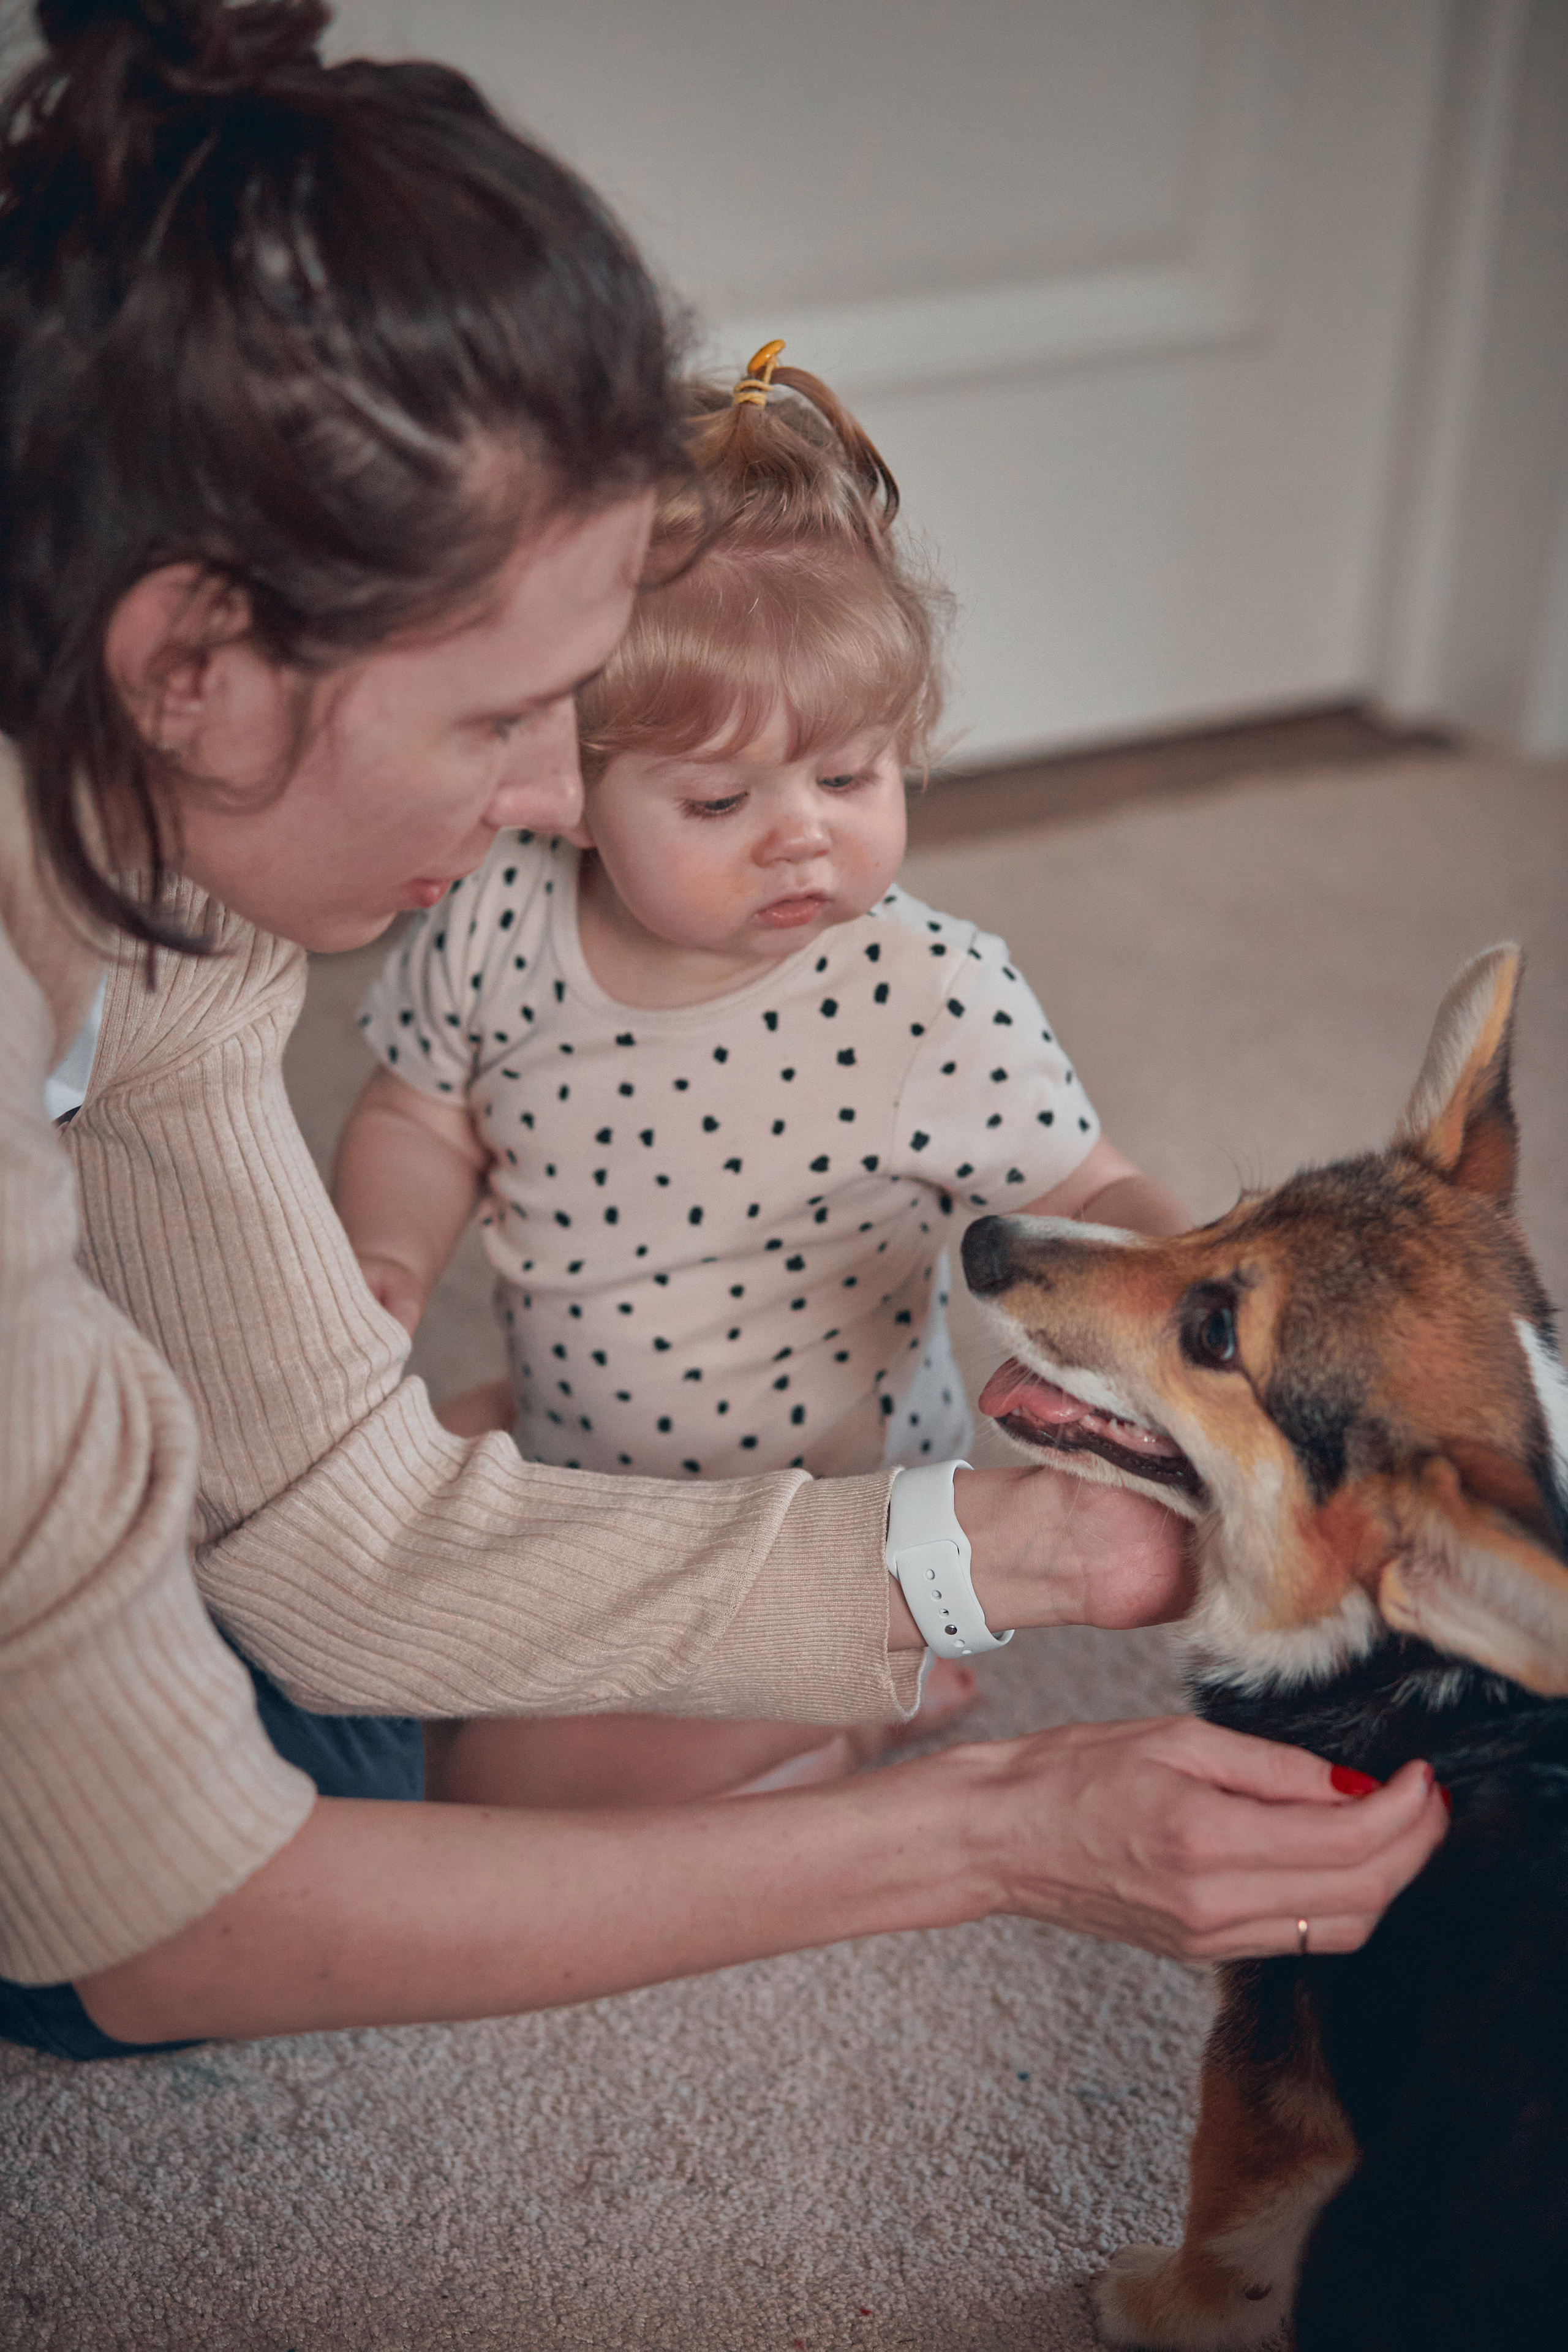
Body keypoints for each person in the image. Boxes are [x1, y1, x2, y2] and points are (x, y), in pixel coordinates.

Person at [0, 0, 1447, 2068]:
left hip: (714, 1447)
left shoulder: (155, 878)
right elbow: (159, 1921)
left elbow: (332, 1527)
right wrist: (994, 1832)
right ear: (190, 664)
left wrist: (983, 1549)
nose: (540, 801)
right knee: (368, 1796)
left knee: (354, 1652)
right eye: (507, 721)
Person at [331, 347, 1192, 1804]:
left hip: (814, 1540)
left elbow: (1088, 1187)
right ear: (574, 789)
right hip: (579, 1456)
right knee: (327, 1550)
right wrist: (382, 1254)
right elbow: (418, 1112)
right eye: (721, 800)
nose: (799, 835)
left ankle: (853, 1707)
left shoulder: (925, 995)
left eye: (848, 779)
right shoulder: (497, 915)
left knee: (488, 1781)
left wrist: (1203, 1299)